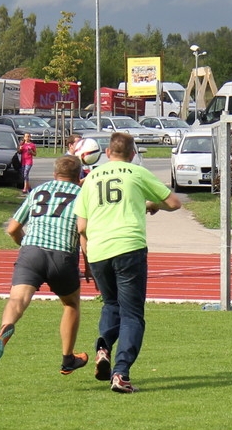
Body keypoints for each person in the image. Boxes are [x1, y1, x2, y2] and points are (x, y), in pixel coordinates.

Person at [75, 132, 181, 394]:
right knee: (132, 313)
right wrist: (153, 204)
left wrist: (87, 258)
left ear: (108, 153)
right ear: (132, 154)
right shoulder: (135, 172)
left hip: (99, 250)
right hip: (129, 247)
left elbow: (82, 225)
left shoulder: (90, 179)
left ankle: (103, 347)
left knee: (112, 304)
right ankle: (120, 373)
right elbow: (174, 203)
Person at [0, 155, 90, 374]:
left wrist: (24, 246)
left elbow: (13, 228)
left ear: (55, 174)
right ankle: (67, 358)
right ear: (79, 176)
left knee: (18, 299)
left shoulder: (38, 191)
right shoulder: (83, 195)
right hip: (62, 255)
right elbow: (83, 231)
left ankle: (6, 327)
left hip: (31, 251)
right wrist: (89, 263)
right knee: (71, 304)